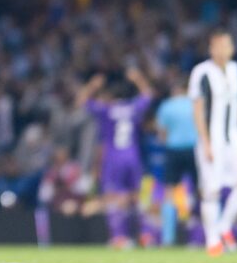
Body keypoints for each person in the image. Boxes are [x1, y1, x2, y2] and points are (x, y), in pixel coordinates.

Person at [188, 29, 237, 256]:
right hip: (213, 137)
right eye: (219, 45)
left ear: (232, 48)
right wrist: (205, 141)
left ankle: (224, 226)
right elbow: (198, 109)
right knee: (212, 189)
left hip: (234, 136)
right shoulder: (202, 72)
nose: (224, 50)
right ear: (211, 48)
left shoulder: (236, 70)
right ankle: (212, 240)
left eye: (227, 45)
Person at [77, 68, 153, 248]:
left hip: (113, 158)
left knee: (113, 197)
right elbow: (148, 94)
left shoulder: (107, 110)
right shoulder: (133, 108)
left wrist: (93, 86)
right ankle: (145, 235)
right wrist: (138, 78)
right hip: (133, 156)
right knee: (135, 196)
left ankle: (120, 237)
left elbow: (82, 101)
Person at [155, 82, 199, 246]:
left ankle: (168, 238)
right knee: (201, 190)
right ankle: (201, 235)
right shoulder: (194, 103)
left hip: (173, 150)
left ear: (174, 91)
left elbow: (161, 133)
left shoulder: (166, 106)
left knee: (169, 192)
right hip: (195, 149)